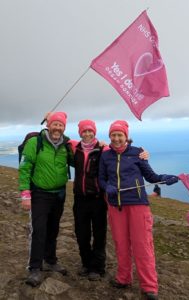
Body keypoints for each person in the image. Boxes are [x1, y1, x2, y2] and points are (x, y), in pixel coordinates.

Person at [98, 120, 179, 300]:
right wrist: (107, 187)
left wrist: (165, 178)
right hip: (116, 206)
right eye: (113, 135)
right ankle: (123, 278)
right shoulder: (106, 155)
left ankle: (149, 287)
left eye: (120, 135)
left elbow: (151, 176)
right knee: (121, 244)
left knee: (143, 246)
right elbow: (101, 179)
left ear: (126, 136)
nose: (117, 138)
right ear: (109, 136)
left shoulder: (137, 153)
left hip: (137, 205)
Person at [69, 119, 150, 281]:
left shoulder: (103, 149)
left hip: (99, 198)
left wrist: (143, 153)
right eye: (84, 131)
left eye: (90, 131)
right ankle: (86, 264)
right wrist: (50, 119)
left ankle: (98, 268)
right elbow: (58, 135)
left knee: (99, 234)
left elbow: (119, 150)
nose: (87, 134)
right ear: (80, 134)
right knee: (81, 233)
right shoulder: (74, 147)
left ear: (95, 132)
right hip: (80, 198)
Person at [19, 112, 73, 287]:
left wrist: (102, 146)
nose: (58, 128)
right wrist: (25, 194)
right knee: (39, 230)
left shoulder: (67, 144)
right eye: (55, 124)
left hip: (59, 193)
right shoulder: (35, 143)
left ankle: (50, 260)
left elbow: (81, 158)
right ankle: (35, 267)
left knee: (53, 228)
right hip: (40, 193)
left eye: (61, 125)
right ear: (48, 125)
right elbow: (25, 168)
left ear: (64, 127)